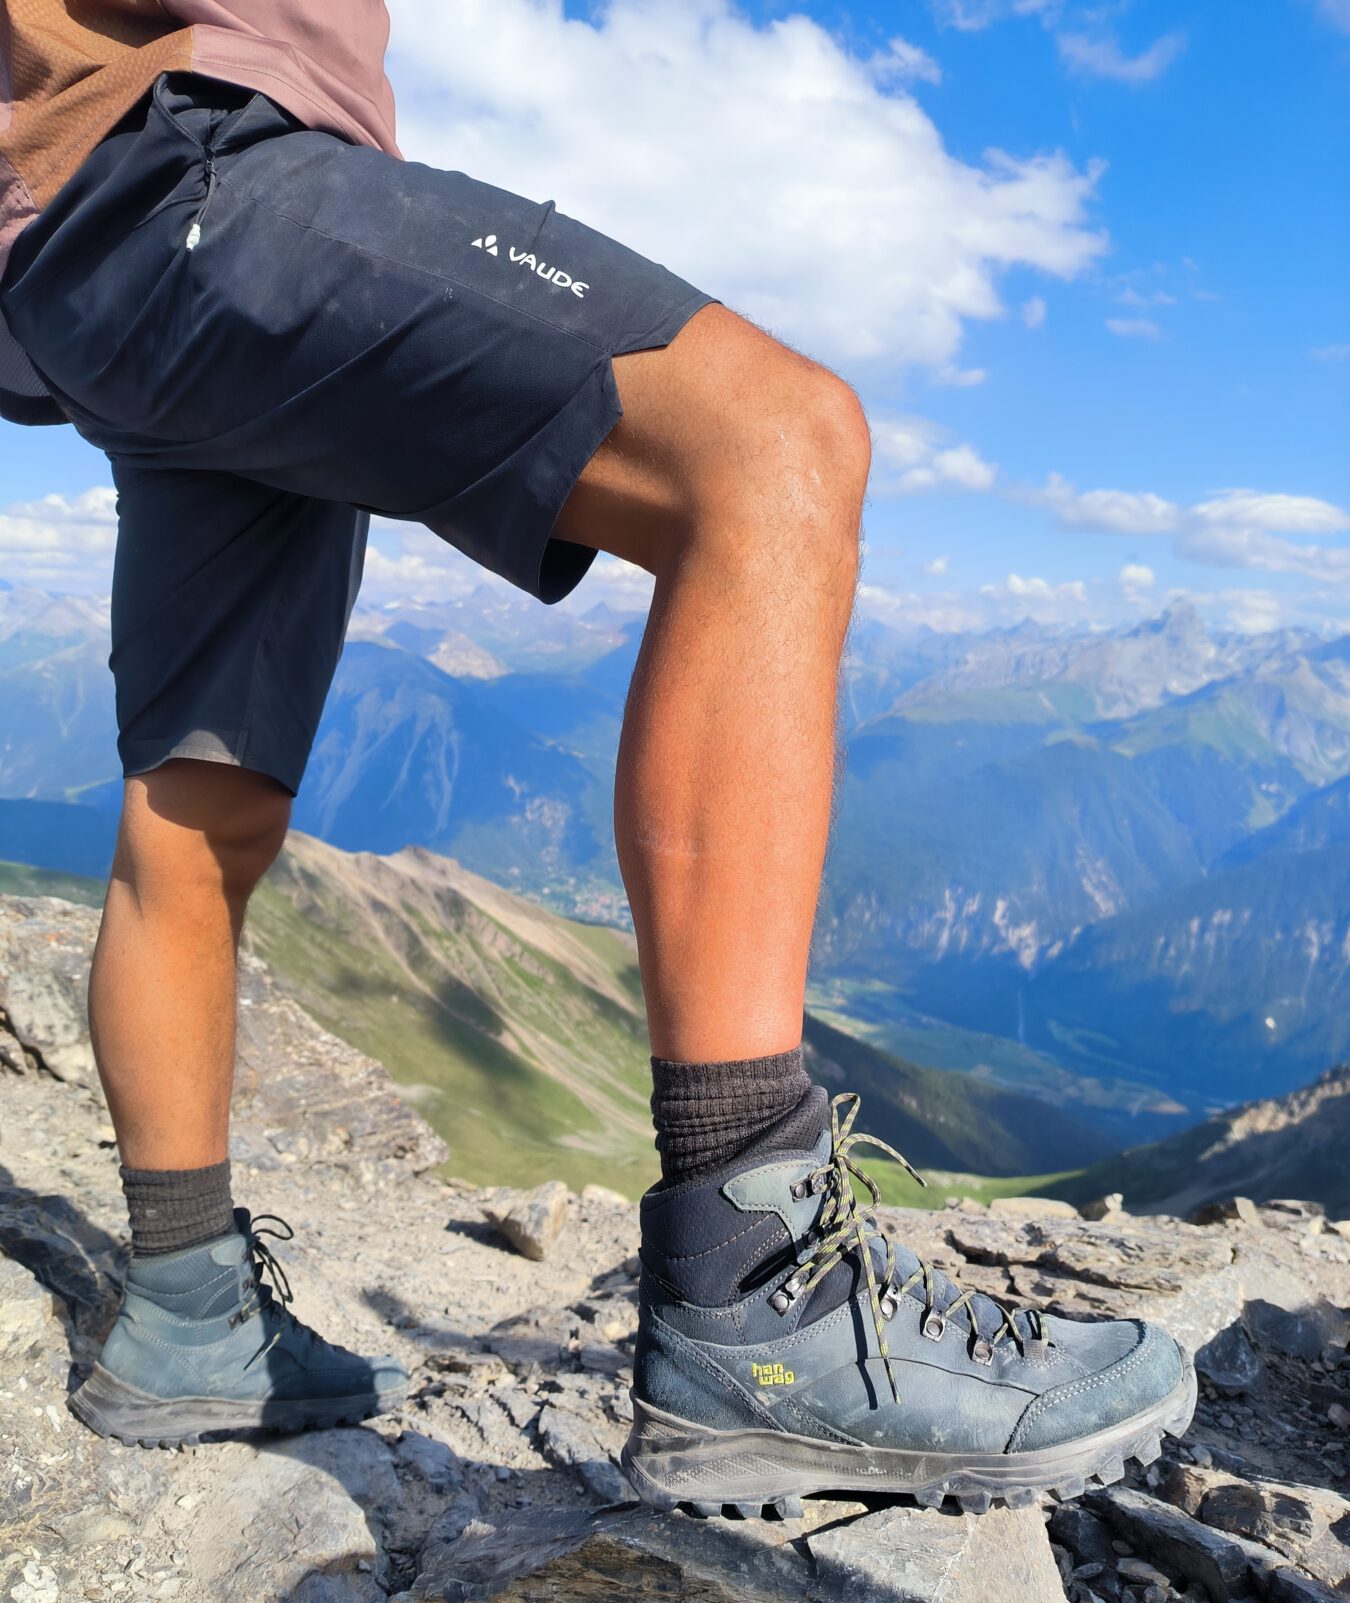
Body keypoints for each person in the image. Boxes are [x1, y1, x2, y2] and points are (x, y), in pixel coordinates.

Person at [0, 2, 1194, 1511]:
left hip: (98, 264)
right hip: (194, 175)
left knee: (199, 804)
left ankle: (186, 1317)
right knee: (773, 444)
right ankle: (755, 1296)